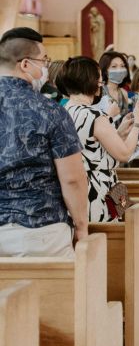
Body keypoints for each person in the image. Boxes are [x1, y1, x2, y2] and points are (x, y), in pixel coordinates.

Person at [0, 27, 88, 256]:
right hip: (40, 229)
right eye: (44, 60)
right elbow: (72, 179)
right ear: (26, 64)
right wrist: (81, 226)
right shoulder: (49, 110)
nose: (46, 68)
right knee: (60, 292)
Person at [59, 57, 139, 222]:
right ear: (90, 81)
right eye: (99, 78)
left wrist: (118, 133)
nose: (101, 82)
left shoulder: (64, 111)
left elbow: (90, 145)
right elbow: (125, 154)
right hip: (98, 189)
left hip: (76, 187)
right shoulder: (94, 115)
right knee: (106, 241)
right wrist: (138, 123)